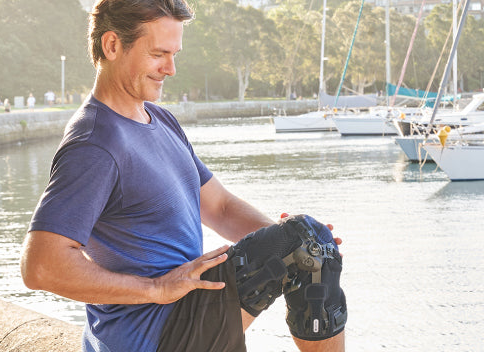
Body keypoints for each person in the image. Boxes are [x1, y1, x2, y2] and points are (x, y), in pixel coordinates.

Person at [20, 1, 347, 351]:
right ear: (112, 45)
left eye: (174, 54)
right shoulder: (94, 143)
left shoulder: (160, 122)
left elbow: (219, 207)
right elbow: (41, 266)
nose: (171, 69)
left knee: (309, 244)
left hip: (187, 314)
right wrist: (155, 289)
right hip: (152, 336)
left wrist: (300, 247)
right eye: (159, 53)